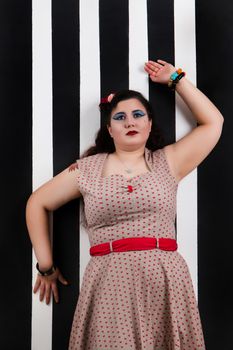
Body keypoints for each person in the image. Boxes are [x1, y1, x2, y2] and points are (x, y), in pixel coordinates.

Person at [26, 59, 224, 349]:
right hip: (109, 283)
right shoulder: (86, 169)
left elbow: (213, 122)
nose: (130, 121)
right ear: (109, 129)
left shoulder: (168, 162)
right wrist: (46, 266)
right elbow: (37, 203)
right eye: (120, 117)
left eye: (137, 114)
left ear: (149, 123)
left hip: (165, 281)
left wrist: (177, 79)